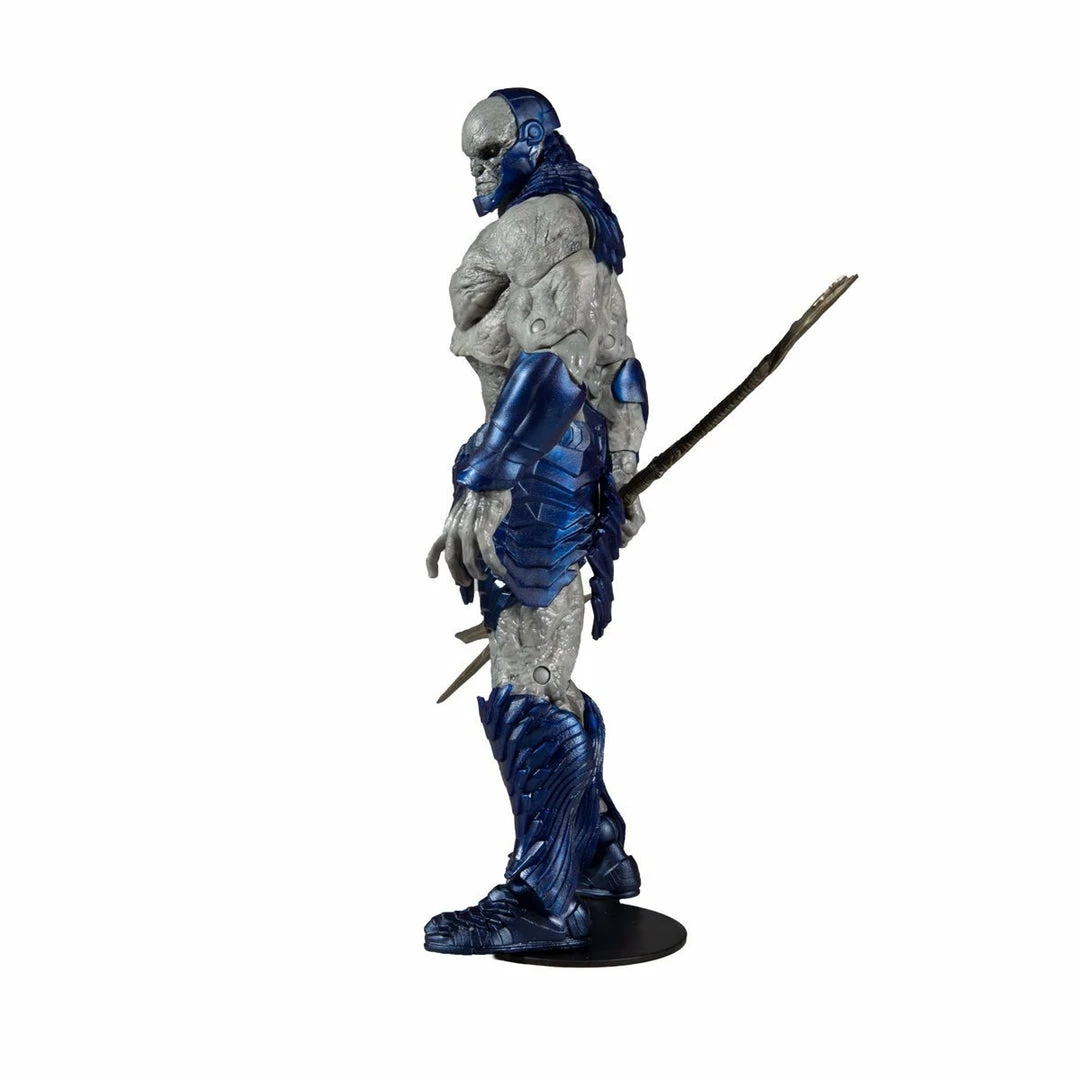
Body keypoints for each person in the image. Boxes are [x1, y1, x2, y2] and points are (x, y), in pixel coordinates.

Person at [424, 89, 650, 955]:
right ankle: (592, 853)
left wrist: (488, 478)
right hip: (557, 461)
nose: (477, 175)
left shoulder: (549, 222)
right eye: (470, 159)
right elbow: (621, 370)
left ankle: (541, 897)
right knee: (543, 663)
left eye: (491, 153)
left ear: (532, 142)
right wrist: (620, 468)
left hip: (538, 467)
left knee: (524, 674)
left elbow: (554, 369)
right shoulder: (578, 226)